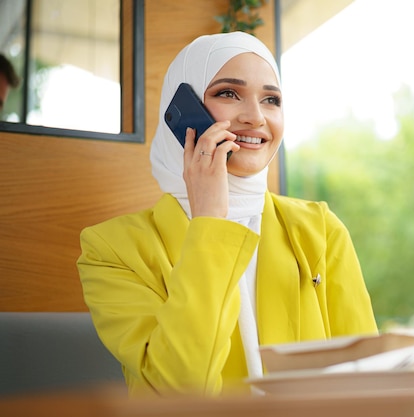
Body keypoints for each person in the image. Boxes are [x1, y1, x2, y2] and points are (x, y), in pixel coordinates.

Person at [77, 31, 378, 398]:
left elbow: (370, 382)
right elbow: (179, 392)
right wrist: (210, 223)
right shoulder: (112, 249)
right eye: (228, 93)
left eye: (271, 99)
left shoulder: (319, 230)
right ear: (183, 110)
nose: (255, 117)